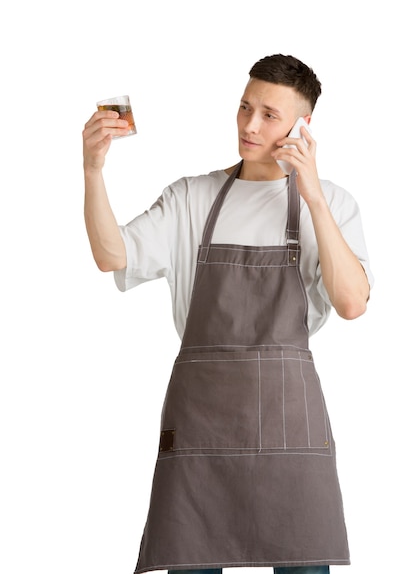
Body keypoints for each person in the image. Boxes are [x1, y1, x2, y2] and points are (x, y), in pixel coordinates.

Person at [83, 54, 373, 574]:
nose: (249, 125)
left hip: (290, 431)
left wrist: (311, 195)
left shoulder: (331, 203)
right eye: (244, 107)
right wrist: (93, 170)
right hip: (201, 433)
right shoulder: (192, 198)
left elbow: (353, 303)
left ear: (303, 125)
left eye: (269, 114)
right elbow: (111, 256)